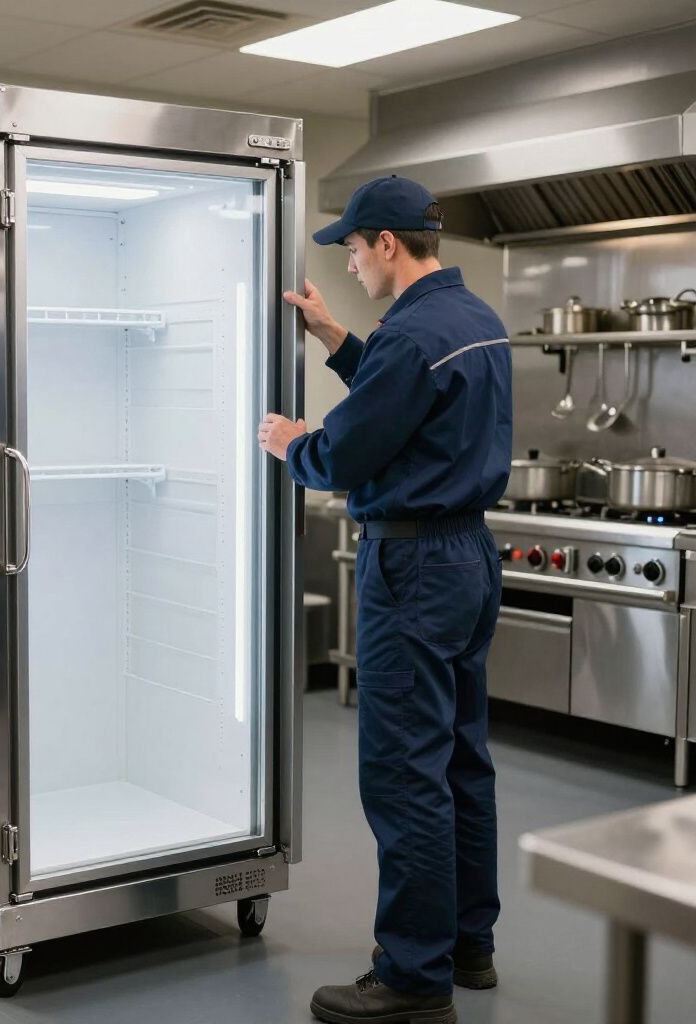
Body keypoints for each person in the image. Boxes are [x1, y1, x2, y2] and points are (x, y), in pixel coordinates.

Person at [258, 175, 512, 1024]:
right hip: (469, 558)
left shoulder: (410, 336)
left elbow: (349, 452)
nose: (353, 265)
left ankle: (412, 977)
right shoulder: (472, 319)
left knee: (406, 774)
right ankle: (469, 945)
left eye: (355, 249)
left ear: (389, 244)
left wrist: (295, 446)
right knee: (461, 760)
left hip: (413, 569)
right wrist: (336, 339)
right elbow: (413, 408)